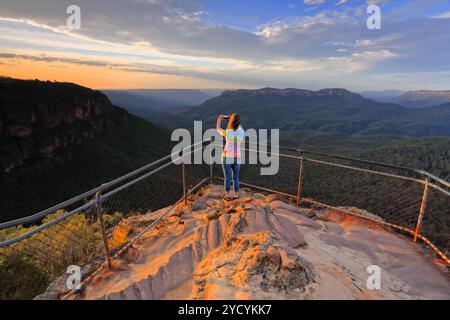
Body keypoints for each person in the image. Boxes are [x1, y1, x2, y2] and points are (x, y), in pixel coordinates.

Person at [217, 113, 245, 201]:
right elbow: (238, 126)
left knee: (227, 177)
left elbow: (218, 129)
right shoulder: (242, 131)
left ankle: (228, 195)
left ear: (231, 121)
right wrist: (234, 119)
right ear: (239, 122)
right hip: (237, 156)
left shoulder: (227, 132)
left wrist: (219, 121)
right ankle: (236, 195)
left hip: (227, 156)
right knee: (236, 177)